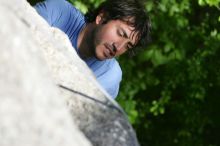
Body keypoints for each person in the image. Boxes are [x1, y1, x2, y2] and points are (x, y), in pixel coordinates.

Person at [34, 0, 151, 99]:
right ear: (101, 18)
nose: (119, 47)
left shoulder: (109, 76)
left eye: (128, 46)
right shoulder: (58, 13)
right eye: (120, 33)